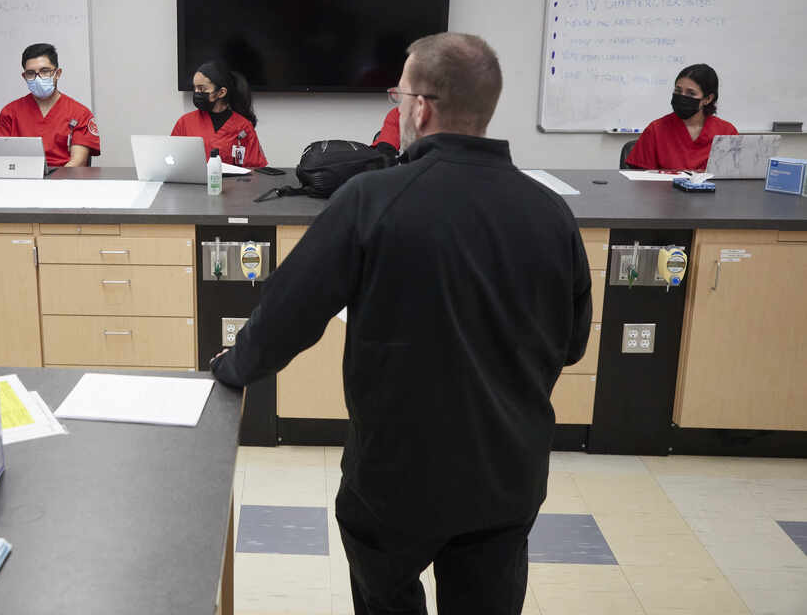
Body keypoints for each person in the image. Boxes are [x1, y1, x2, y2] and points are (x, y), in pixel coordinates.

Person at [211, 33, 592, 615]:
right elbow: (571, 344)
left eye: (399, 94)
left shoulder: (371, 199)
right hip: (507, 474)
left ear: (420, 108)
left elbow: (288, 314)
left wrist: (233, 368)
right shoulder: (551, 212)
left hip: (395, 478)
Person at [0, 43, 100, 167]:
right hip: (21, 175)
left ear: (57, 73)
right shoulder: (10, 113)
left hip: (64, 176)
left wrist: (53, 179)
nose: (38, 78)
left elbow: (78, 162)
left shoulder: (80, 114)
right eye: (31, 73)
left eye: (44, 71)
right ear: (24, 77)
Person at [624, 64, 737, 171]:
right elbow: (639, 178)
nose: (682, 97)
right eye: (678, 91)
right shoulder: (655, 130)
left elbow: (735, 175)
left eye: (691, 93)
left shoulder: (726, 132)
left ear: (708, 99)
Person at [172, 60, 267, 168]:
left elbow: (256, 169)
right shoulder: (185, 123)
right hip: (193, 179)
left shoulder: (243, 127)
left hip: (231, 180)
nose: (197, 92)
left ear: (221, 92)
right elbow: (171, 160)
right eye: (195, 88)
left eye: (202, 88)